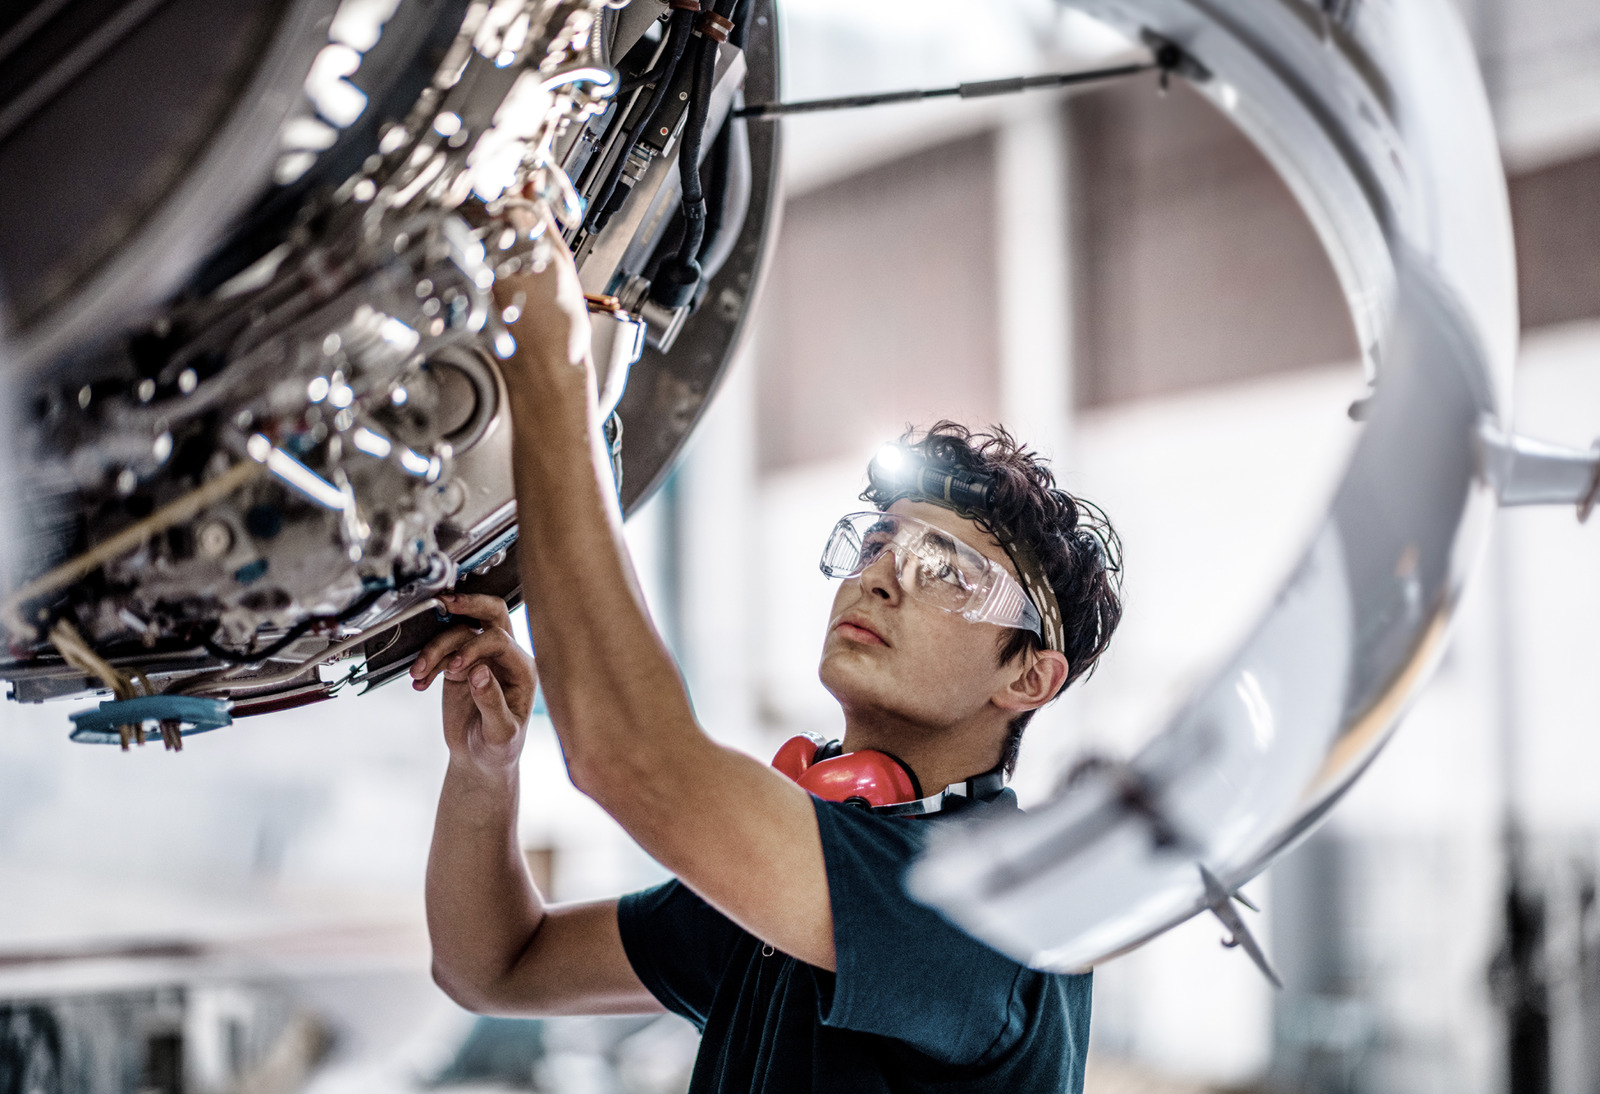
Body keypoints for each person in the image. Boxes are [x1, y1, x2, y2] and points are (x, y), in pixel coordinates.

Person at [415, 232, 1124, 1093]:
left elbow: (633, 759)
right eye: (877, 543)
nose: (881, 579)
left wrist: (557, 373)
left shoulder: (993, 907)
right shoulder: (814, 884)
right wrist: (485, 771)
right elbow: (495, 965)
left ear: (1027, 677)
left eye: (947, 572)